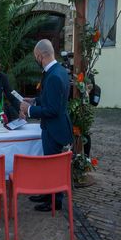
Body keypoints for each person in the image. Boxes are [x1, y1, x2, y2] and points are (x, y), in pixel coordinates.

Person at [19, 39, 73, 212]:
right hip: (51, 127)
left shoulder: (55, 75)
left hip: (54, 128)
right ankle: (47, 193)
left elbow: (53, 109)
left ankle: (55, 201)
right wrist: (34, 100)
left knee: (53, 166)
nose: (36, 60)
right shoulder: (57, 71)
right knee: (48, 164)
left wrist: (30, 110)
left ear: (40, 56)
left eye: (36, 57)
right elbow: (50, 98)